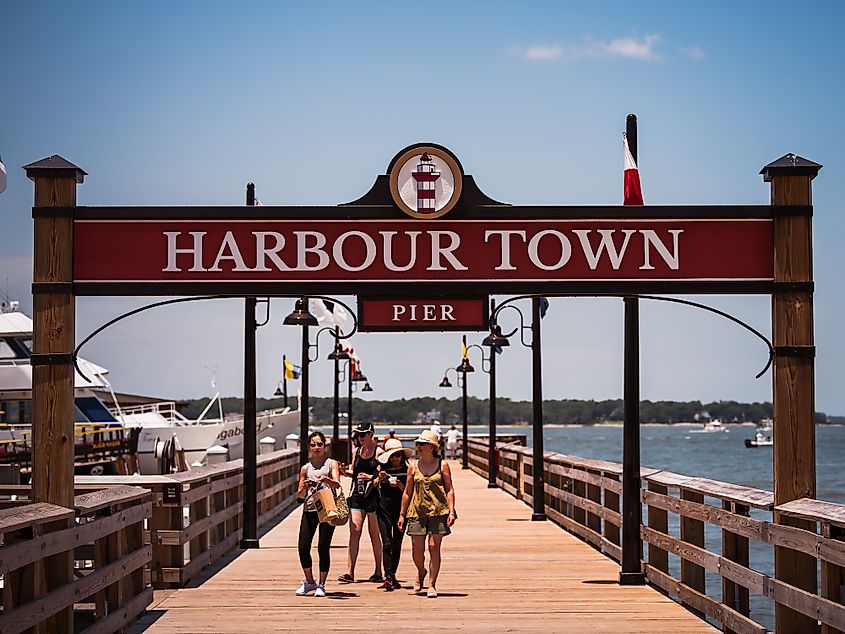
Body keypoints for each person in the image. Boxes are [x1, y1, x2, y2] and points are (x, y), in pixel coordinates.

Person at [399, 430, 457, 598]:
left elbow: (449, 489)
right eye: (418, 444)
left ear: (431, 447)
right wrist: (402, 514)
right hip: (417, 510)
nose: (418, 447)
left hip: (439, 510)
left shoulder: (443, 465)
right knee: (417, 550)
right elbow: (407, 492)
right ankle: (421, 571)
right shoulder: (413, 466)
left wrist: (452, 511)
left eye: (422, 444)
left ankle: (432, 584)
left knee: (433, 547)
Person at [295, 431, 341, 597]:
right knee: (303, 546)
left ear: (324, 445)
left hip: (327, 510)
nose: (316, 447)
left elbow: (337, 484)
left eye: (319, 444)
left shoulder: (331, 464)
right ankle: (309, 581)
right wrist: (304, 487)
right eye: (313, 444)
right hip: (309, 509)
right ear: (309, 447)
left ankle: (322, 584)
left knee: (323, 547)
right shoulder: (305, 468)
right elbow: (299, 496)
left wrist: (326, 480)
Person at [338, 421, 383, 583]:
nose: (360, 437)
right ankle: (350, 572)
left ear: (371, 434)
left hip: (373, 496)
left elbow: (382, 475)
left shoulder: (379, 452)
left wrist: (371, 477)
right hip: (357, 495)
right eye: (358, 434)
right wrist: (345, 472)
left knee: (374, 534)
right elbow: (354, 471)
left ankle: (378, 571)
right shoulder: (357, 451)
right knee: (355, 532)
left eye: (363, 434)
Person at [375, 438, 412, 591]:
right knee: (387, 542)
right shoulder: (381, 469)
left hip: (401, 510)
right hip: (383, 509)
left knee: (397, 543)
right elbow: (373, 485)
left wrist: (399, 485)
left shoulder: (408, 469)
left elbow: (409, 492)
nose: (395, 459)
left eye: (398, 455)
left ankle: (393, 574)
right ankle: (388, 576)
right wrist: (379, 478)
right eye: (392, 456)